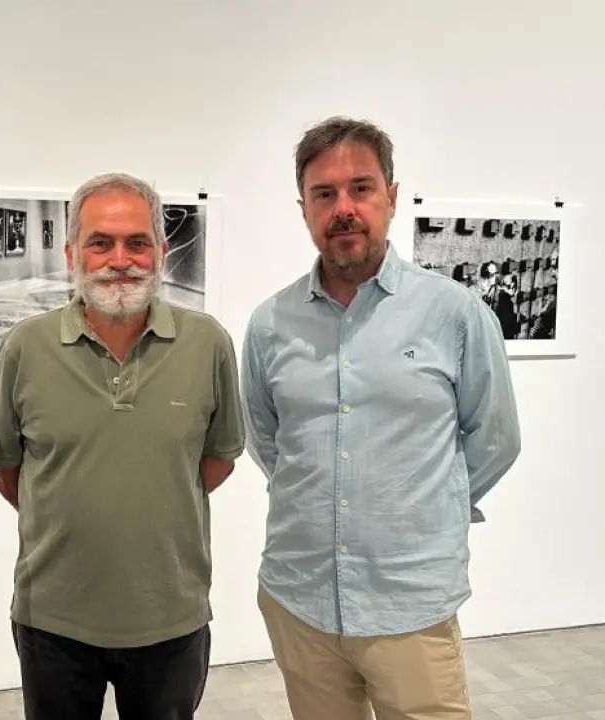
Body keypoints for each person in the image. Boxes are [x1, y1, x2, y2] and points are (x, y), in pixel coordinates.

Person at [241, 116, 521, 719]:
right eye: (324, 193)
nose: (343, 208)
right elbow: (268, 442)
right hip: (300, 599)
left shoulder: (455, 313)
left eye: (361, 188)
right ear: (304, 208)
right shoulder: (269, 324)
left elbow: (496, 437)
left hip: (410, 604)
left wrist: (429, 505)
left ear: (391, 197)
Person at [0, 172, 246, 720]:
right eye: (100, 242)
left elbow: (217, 460)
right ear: (72, 253)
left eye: (137, 243)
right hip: (52, 619)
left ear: (162, 253)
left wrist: (152, 494)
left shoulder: (208, 343)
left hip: (170, 616)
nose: (119, 260)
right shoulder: (24, 347)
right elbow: (6, 468)